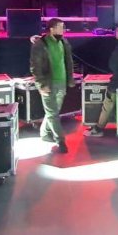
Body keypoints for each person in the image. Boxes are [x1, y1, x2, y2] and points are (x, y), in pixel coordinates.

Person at [29, 18, 76, 154]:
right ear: (52, 29)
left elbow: (68, 61)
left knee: (53, 112)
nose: (63, 30)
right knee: (53, 113)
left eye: (63, 27)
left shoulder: (64, 42)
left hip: (61, 82)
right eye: (60, 27)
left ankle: (44, 133)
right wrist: (41, 84)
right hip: (48, 83)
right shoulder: (40, 44)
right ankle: (60, 141)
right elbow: (35, 67)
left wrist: (70, 79)